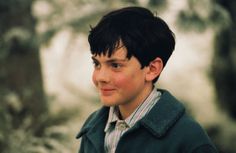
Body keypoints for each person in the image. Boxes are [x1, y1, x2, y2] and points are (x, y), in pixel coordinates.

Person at [76, 6, 218, 153]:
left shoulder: (189, 140)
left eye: (115, 65)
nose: (100, 77)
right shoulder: (93, 129)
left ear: (152, 69)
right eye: (97, 64)